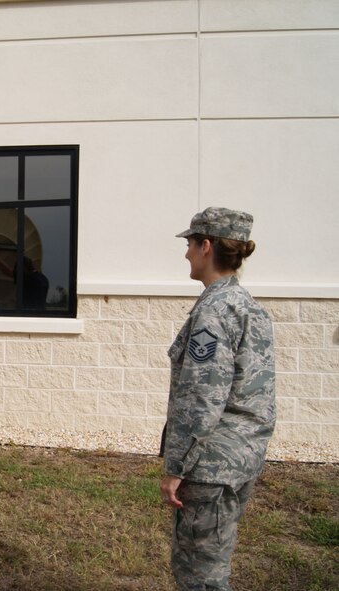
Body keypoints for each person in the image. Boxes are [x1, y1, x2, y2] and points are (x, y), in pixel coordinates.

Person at [160, 207, 276, 590]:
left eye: (190, 244)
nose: (186, 254)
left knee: (199, 575)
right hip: (240, 459)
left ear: (206, 246)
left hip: (209, 465)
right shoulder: (247, 306)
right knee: (213, 564)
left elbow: (201, 397)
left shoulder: (214, 312)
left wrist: (176, 468)